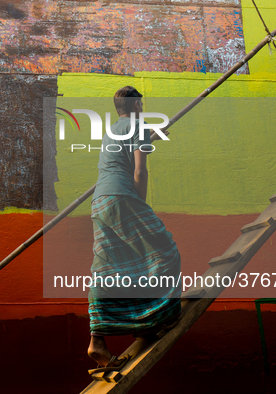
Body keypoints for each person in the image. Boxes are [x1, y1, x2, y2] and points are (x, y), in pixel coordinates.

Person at [87, 86, 182, 373]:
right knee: (164, 251)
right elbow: (140, 171)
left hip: (100, 202)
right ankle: (158, 317)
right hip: (122, 198)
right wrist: (139, 203)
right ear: (138, 104)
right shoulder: (138, 126)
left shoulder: (113, 129)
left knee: (110, 267)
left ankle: (98, 341)